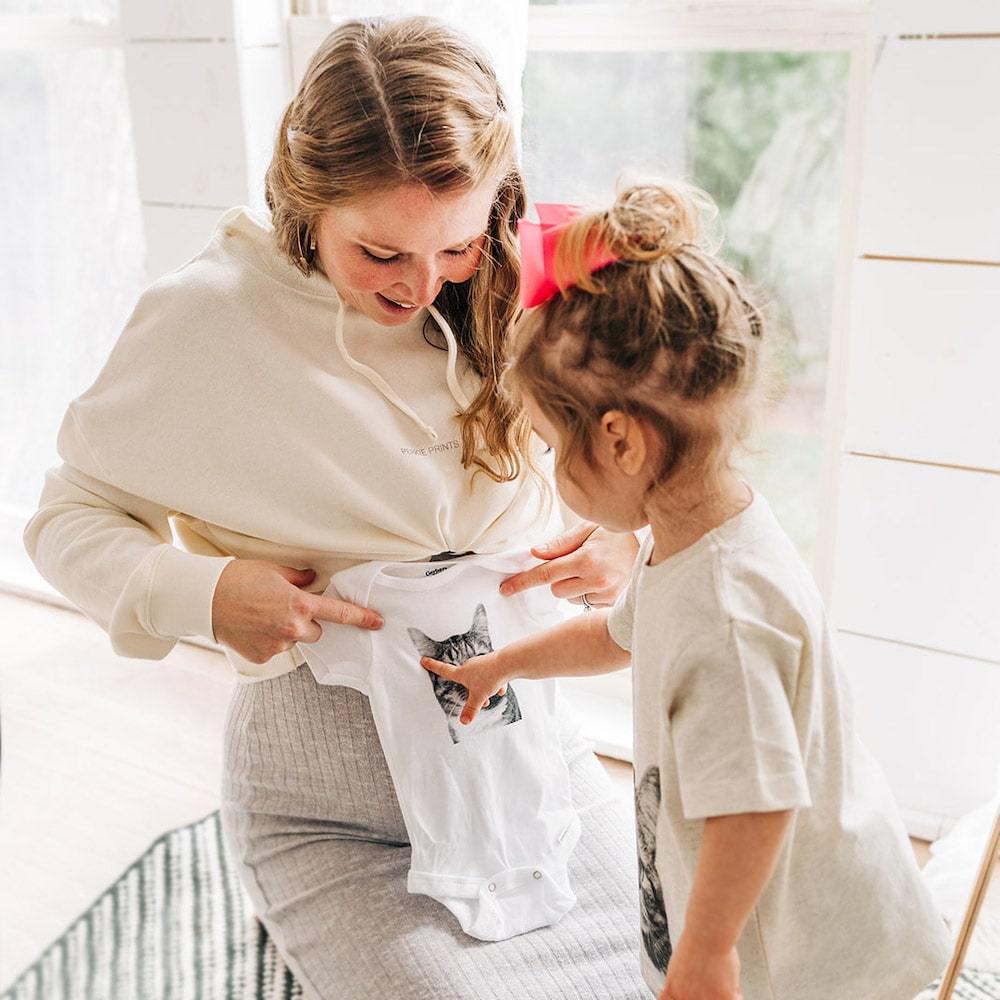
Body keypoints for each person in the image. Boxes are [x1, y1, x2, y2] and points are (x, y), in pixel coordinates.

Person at [22, 16, 652, 1000]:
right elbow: (67, 518)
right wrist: (203, 591)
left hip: (522, 760)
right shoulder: (207, 318)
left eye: (453, 244)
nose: (419, 284)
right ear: (307, 200)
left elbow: (623, 454)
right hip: (333, 805)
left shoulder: (510, 274)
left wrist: (615, 538)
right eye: (379, 252)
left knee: (672, 973)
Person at [419, 179, 952, 999]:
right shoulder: (692, 542)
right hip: (774, 910)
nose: (550, 470)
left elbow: (757, 807)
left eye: (553, 448)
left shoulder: (729, 615)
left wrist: (707, 954)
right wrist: (504, 665)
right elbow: (619, 636)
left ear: (620, 442)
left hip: (808, 951)